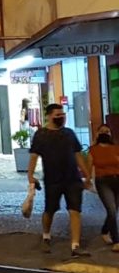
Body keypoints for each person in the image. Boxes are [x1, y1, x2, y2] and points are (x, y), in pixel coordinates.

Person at [27, 103, 94, 257]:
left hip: (73, 179)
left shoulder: (69, 133)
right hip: (53, 179)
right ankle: (46, 236)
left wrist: (87, 174)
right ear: (49, 116)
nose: (61, 118)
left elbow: (77, 154)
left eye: (63, 115)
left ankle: (75, 246)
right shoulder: (41, 135)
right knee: (50, 210)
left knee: (75, 210)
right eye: (57, 115)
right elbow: (34, 156)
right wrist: (30, 175)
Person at [90, 124, 119, 251]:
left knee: (114, 210)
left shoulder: (116, 148)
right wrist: (88, 180)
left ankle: (104, 230)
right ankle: (116, 240)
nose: (105, 133)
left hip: (117, 179)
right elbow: (89, 166)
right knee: (111, 210)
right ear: (97, 134)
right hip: (102, 181)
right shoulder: (93, 150)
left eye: (107, 131)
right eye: (102, 131)